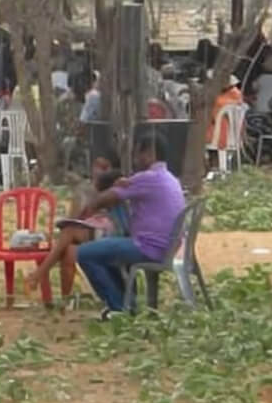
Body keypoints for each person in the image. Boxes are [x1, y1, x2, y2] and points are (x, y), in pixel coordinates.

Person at [75, 133, 186, 317]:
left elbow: (103, 200)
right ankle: (126, 302)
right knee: (106, 251)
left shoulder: (148, 177)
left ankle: (118, 307)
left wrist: (96, 198)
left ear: (149, 154)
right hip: (166, 246)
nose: (135, 160)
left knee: (85, 253)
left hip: (148, 247)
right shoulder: (169, 177)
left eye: (137, 154)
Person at [31, 166, 124, 301]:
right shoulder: (88, 192)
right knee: (68, 251)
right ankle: (65, 299)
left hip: (107, 234)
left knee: (68, 232)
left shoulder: (114, 193)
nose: (98, 171)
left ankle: (38, 274)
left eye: (103, 167)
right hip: (94, 231)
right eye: (97, 166)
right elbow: (77, 217)